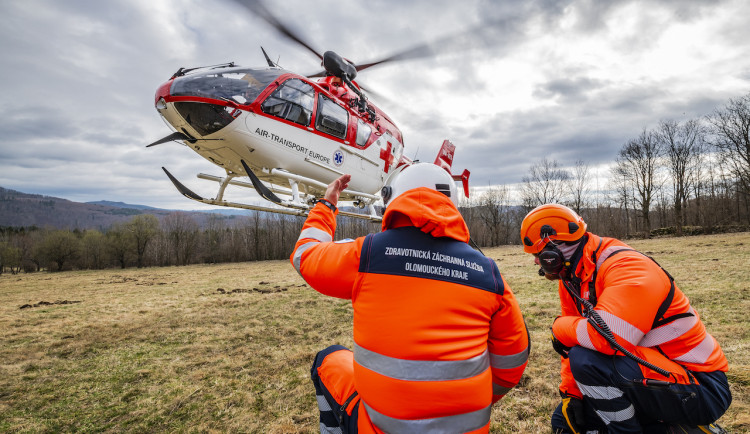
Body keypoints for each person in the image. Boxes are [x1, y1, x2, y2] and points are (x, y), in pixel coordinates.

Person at [290, 163, 530, 433]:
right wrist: (470, 398)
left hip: (379, 428)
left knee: (328, 359)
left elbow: (305, 256)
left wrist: (326, 205)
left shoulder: (367, 254)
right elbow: (512, 361)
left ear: (392, 199)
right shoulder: (488, 273)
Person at [520, 204, 732, 434]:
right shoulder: (574, 278)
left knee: (587, 359)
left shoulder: (628, 268)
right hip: (654, 375)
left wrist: (559, 327)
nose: (536, 263)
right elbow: (573, 343)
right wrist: (572, 394)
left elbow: (607, 339)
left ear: (555, 251)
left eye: (538, 255)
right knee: (565, 422)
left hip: (701, 387)